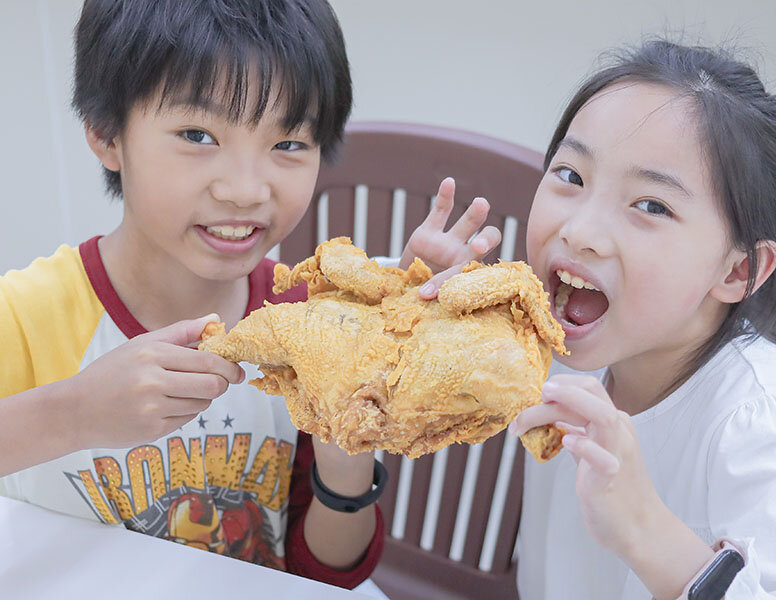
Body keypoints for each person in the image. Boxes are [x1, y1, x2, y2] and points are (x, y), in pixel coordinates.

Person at [0, 0, 500, 589]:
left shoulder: (311, 321)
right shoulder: (23, 317)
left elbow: (325, 571)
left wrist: (352, 435)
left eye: (288, 144)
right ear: (107, 134)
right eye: (197, 135)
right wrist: (74, 414)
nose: (245, 190)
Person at [504, 40, 776, 598]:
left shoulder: (759, 424)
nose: (580, 232)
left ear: (738, 270)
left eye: (651, 206)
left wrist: (646, 531)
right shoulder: (540, 341)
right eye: (571, 175)